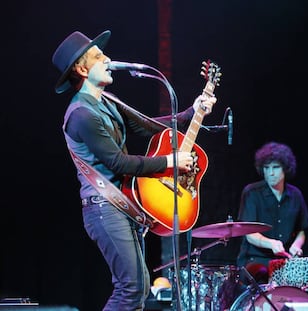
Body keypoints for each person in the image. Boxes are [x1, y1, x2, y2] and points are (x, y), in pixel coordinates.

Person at [51, 30, 216, 311]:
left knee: (138, 291)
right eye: (98, 56)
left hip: (123, 207)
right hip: (103, 208)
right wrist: (169, 162)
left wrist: (191, 111)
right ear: (81, 69)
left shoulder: (107, 101)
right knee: (130, 288)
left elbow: (146, 124)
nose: (108, 59)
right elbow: (117, 162)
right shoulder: (81, 114)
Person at [236, 141, 308, 285]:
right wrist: (271, 244)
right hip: (256, 260)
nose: (270, 173)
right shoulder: (252, 193)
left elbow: (301, 230)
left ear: (286, 169)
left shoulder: (295, 195)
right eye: (266, 168)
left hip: (284, 261)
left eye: (276, 168)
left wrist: (296, 246)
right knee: (262, 273)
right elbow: (250, 234)